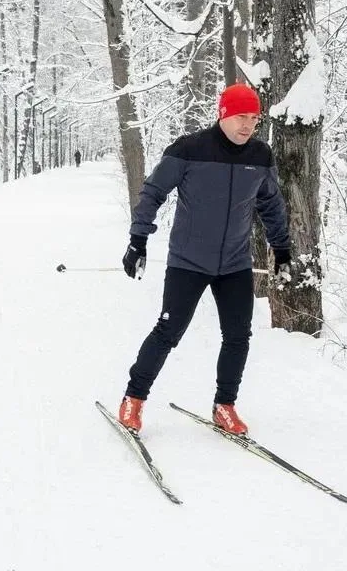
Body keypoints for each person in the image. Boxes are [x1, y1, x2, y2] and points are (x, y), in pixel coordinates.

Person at [116, 83, 291, 436]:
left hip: (235, 263)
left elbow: (272, 205)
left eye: (254, 119)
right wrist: (138, 240)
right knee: (168, 331)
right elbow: (153, 192)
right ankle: (134, 398)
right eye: (241, 117)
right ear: (223, 115)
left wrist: (282, 249)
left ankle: (224, 405)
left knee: (239, 335)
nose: (247, 126)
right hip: (188, 261)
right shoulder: (189, 150)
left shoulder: (260, 156)